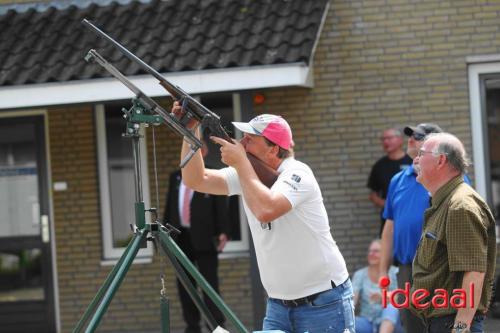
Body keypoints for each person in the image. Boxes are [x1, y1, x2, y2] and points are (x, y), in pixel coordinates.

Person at [172, 103, 355, 333]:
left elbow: (266, 209)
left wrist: (240, 163)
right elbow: (196, 180)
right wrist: (190, 131)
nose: (241, 144)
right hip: (278, 304)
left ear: (273, 150)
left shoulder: (298, 173)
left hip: (323, 302)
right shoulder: (249, 173)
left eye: (250, 140)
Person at [411, 133, 496, 333]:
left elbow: (474, 273)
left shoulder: (459, 206)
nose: (415, 159)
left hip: (452, 323)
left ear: (441, 160)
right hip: (441, 321)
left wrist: (460, 328)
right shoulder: (445, 201)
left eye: (421, 153)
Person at [379, 123, 444, 333]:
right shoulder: (397, 180)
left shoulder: (448, 177)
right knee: (413, 328)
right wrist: (383, 271)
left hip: (439, 268)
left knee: (441, 326)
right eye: (411, 136)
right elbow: (389, 228)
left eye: (418, 136)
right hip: (406, 269)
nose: (411, 140)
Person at [164, 142, 231, 333]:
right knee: (185, 285)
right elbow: (170, 207)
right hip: (180, 237)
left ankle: (216, 326)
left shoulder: (212, 174)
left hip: (205, 236)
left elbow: (221, 206)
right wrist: (166, 234)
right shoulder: (175, 177)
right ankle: (192, 327)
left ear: (204, 152)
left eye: (195, 149)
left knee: (210, 285)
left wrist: (224, 231)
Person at [367, 128, 412, 234]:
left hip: (411, 213)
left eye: (389, 138)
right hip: (389, 218)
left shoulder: (412, 161)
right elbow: (373, 194)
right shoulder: (379, 166)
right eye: (383, 139)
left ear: (400, 140)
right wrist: (387, 204)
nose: (385, 142)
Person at [353, 239, 403, 333]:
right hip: (368, 322)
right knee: (347, 323)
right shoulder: (359, 275)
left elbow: (402, 297)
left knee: (391, 308)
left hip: (393, 323)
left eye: (376, 251)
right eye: (370, 251)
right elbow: (352, 300)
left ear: (385, 254)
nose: (371, 254)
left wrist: (383, 297)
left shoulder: (395, 272)